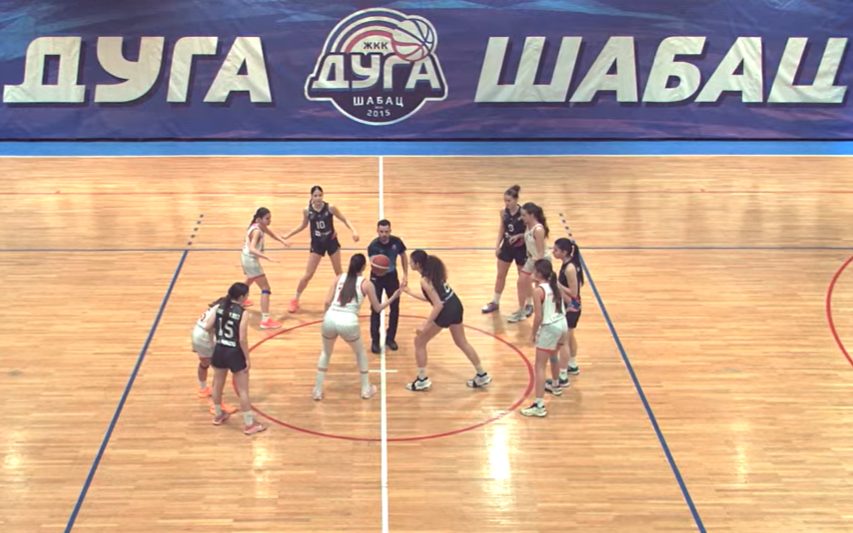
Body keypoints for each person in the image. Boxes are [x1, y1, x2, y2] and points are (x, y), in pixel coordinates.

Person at [312, 254, 404, 400]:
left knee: (326, 353)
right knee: (360, 353)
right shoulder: (366, 284)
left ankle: (317, 390)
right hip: (348, 322)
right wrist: (394, 296)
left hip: (330, 318)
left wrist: (325, 318)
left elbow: (327, 302)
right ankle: (366, 389)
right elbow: (378, 308)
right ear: (364, 267)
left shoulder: (338, 277)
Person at [402, 250, 492, 391]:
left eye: (411, 261)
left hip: (446, 311)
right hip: (455, 305)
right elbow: (433, 298)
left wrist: (425, 324)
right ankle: (482, 374)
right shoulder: (433, 272)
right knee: (462, 342)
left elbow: (438, 305)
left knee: (419, 342)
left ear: (417, 264)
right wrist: (410, 292)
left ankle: (422, 380)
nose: (409, 263)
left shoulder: (424, 280)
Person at [282, 185, 360, 313]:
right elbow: (303, 225)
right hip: (317, 244)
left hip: (331, 242)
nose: (318, 198)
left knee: (339, 273)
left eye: (320, 195)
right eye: (315, 196)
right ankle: (295, 299)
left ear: (323, 196)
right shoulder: (307, 211)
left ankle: (344, 298)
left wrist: (354, 231)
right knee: (308, 275)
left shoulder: (330, 208)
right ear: (311, 197)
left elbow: (344, 219)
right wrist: (288, 234)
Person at [209, 282, 267, 435]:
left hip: (219, 349)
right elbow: (242, 339)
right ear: (241, 297)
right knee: (243, 391)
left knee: (217, 385)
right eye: (247, 295)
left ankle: (218, 415)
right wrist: (247, 358)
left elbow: (209, 326)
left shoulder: (219, 306)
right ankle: (249, 424)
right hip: (234, 352)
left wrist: (214, 343)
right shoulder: (242, 313)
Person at [520, 260, 568, 418]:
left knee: (540, 366)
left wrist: (533, 334)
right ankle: (556, 385)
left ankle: (539, 405)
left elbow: (538, 316)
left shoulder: (538, 291)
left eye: (534, 271)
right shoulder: (556, 285)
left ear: (539, 274)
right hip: (562, 324)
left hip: (550, 327)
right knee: (554, 356)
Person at [240, 207, 290, 330]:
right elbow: (252, 249)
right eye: (267, 218)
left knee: (250, 278)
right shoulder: (257, 231)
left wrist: (282, 241)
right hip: (250, 260)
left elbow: (271, 233)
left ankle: (238, 300)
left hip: (245, 257)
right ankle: (265, 320)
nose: (269, 221)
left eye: (270, 218)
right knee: (265, 288)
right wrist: (267, 258)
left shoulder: (258, 225)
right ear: (259, 219)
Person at [482, 185, 527, 315]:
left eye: (509, 200)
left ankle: (526, 304)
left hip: (521, 248)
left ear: (516, 200)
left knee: (522, 278)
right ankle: (495, 302)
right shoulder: (503, 212)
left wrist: (520, 236)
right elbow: (502, 229)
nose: (506, 203)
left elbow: (530, 232)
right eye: (505, 200)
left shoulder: (523, 213)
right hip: (507, 247)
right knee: (500, 275)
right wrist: (497, 246)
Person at [546, 238, 584, 391]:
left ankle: (562, 376)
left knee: (564, 342)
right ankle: (572, 365)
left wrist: (557, 284)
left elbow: (574, 293)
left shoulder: (569, 269)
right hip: (573, 307)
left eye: (556, 250)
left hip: (571, 307)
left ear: (564, 252)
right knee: (570, 336)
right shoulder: (569, 264)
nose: (553, 252)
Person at [367, 219, 408, 354]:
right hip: (377, 278)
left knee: (395, 307)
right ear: (377, 231)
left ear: (390, 231)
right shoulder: (373, 246)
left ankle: (390, 338)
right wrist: (380, 268)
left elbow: (403, 255)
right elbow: (374, 264)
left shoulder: (397, 242)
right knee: (375, 308)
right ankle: (375, 340)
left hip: (391, 276)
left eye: (386, 231)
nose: (384, 234)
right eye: (381, 232)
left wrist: (405, 274)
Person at [192, 299, 237, 415]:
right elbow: (214, 329)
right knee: (220, 371)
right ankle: (216, 405)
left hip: (196, 333)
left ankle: (203, 389)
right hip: (205, 338)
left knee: (204, 363)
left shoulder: (213, 308)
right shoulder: (222, 312)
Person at [508, 202, 550, 323]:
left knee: (540, 290)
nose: (522, 218)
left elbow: (540, 253)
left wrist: (535, 272)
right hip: (532, 259)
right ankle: (521, 311)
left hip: (541, 261)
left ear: (532, 215)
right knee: (521, 282)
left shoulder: (539, 229)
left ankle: (543, 316)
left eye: (524, 215)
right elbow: (529, 236)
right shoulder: (529, 226)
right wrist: (519, 236)